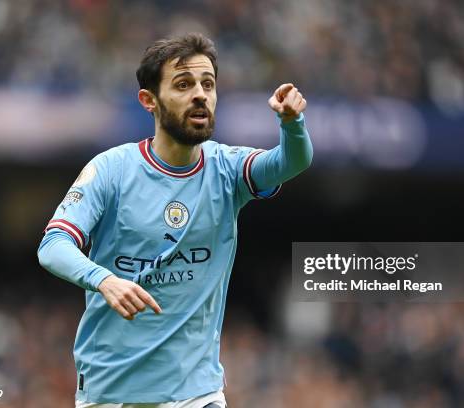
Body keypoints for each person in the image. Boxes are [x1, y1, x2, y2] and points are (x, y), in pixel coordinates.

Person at [37, 33, 313, 408]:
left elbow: (290, 162)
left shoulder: (227, 168)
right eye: (183, 85)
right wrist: (104, 280)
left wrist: (292, 124)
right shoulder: (111, 170)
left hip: (196, 394)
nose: (200, 94)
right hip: (111, 391)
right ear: (149, 100)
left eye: (208, 84)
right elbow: (53, 246)